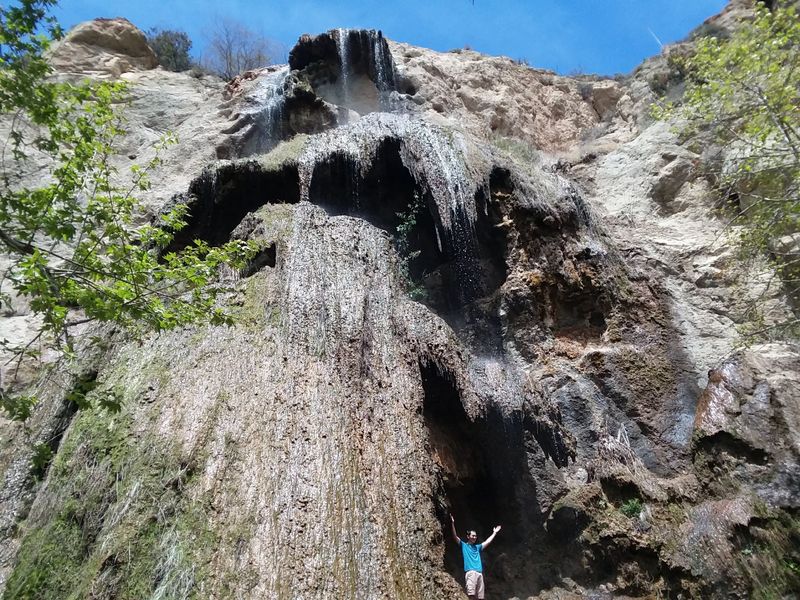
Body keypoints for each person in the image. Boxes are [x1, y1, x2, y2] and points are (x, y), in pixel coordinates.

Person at [450, 514, 501, 600]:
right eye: (473, 536)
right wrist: (452, 523)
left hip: (479, 574)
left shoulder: (477, 547)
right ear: (468, 536)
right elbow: (455, 537)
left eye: (475, 536)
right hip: (471, 573)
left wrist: (494, 533)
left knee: (481, 597)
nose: (474, 537)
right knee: (471, 595)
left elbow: (487, 542)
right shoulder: (464, 546)